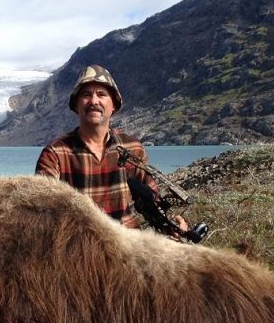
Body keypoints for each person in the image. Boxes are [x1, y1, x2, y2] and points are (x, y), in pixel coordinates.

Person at [36, 64, 187, 231]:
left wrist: (172, 221)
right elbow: (42, 209)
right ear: (76, 105)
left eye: (102, 94)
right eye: (86, 95)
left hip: (128, 243)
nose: (94, 101)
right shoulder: (55, 153)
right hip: (79, 244)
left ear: (114, 105)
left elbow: (152, 197)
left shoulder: (132, 148)